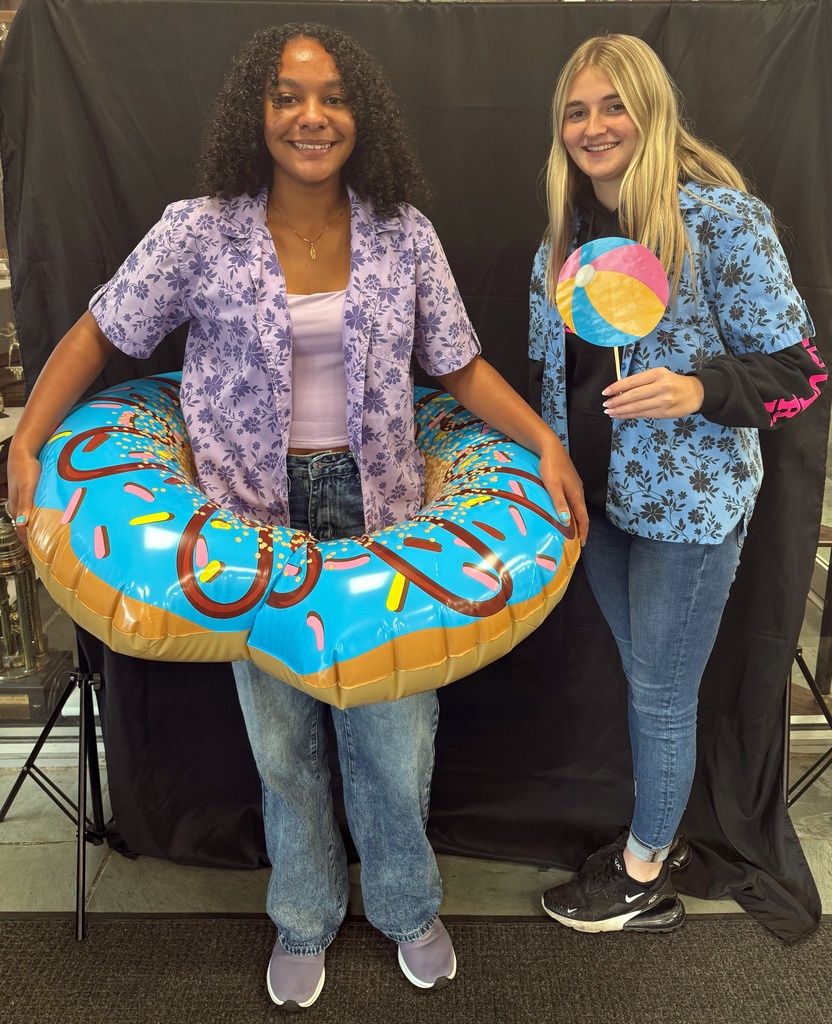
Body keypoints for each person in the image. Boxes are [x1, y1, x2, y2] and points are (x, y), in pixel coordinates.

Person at [8, 23, 586, 1009]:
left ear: (360, 115)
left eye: (329, 97)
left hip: (384, 514)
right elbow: (100, 330)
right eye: (286, 95)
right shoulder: (197, 229)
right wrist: (27, 440)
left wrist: (546, 444)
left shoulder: (403, 232)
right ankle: (304, 915)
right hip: (245, 517)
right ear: (257, 112)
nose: (309, 116)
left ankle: (407, 906)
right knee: (281, 745)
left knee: (394, 738)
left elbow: (457, 363)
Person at [530, 33, 824, 934]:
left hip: (684, 513)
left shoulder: (725, 221)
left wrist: (700, 389)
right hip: (591, 505)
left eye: (613, 105)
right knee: (646, 682)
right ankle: (660, 832)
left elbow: (803, 373)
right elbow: (552, 370)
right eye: (577, 110)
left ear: (651, 112)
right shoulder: (567, 237)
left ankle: (642, 871)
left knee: (659, 693)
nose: (594, 126)